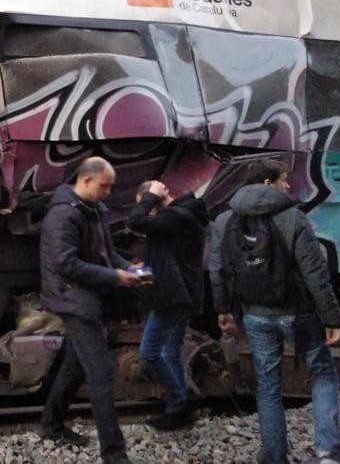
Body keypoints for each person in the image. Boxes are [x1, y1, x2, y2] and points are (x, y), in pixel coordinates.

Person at [209, 159, 340, 464]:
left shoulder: (224, 220)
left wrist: (222, 309)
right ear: (269, 183)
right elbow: (315, 272)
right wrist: (332, 317)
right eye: (284, 179)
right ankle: (328, 454)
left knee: (268, 384)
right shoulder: (293, 218)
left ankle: (274, 455)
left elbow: (217, 269)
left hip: (255, 314)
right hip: (298, 312)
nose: (287, 185)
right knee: (322, 373)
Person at [37, 156, 144, 464]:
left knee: (76, 364)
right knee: (101, 373)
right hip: (72, 299)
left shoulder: (93, 209)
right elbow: (65, 264)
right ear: (85, 181)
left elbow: (106, 254)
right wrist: (115, 277)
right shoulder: (63, 216)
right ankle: (114, 454)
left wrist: (130, 269)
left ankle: (50, 424)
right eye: (104, 186)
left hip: (84, 296)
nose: (108, 192)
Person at [126, 180, 209, 430]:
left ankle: (180, 404)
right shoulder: (182, 215)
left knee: (149, 352)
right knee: (170, 352)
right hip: (180, 294)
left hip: (173, 297)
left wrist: (151, 196)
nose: (147, 211)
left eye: (147, 205)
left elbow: (136, 222)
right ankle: (178, 409)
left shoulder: (177, 216)